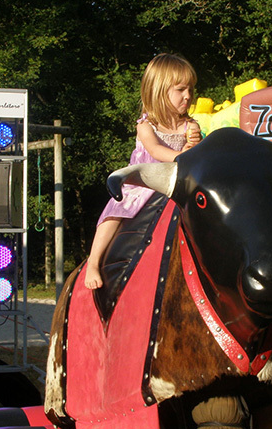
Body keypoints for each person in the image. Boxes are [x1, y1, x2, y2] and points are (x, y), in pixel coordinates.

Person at [84, 53, 202, 289]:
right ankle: (93, 262)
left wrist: (194, 147)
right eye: (180, 89)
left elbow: (197, 152)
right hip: (144, 182)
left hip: (176, 183)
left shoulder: (191, 125)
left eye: (190, 89)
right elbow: (156, 151)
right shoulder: (146, 126)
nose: (188, 96)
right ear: (159, 91)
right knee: (117, 210)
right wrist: (183, 157)